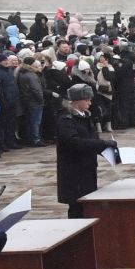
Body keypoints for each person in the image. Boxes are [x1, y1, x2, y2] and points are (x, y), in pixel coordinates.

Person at [55, 83, 114, 217]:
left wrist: (109, 150)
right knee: (77, 207)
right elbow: (74, 142)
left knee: (88, 205)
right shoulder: (66, 119)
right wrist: (102, 143)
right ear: (76, 101)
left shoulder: (85, 116)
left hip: (87, 169)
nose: (90, 102)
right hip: (74, 171)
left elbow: (93, 140)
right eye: (86, 99)